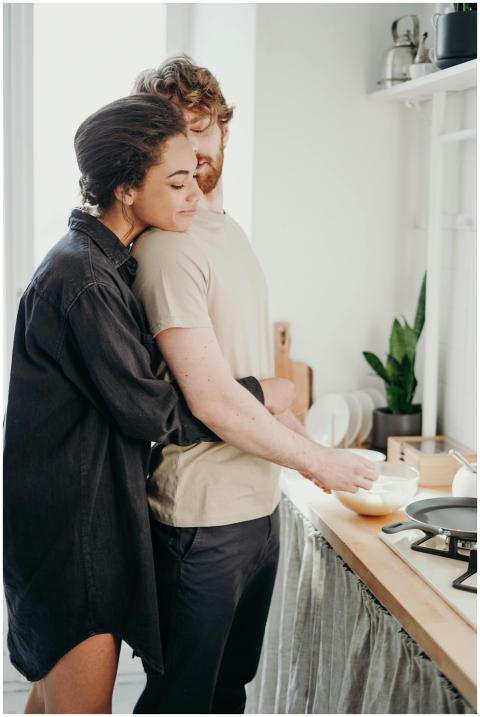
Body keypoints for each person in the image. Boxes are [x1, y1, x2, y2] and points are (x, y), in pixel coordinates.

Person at [3, 94, 276, 714]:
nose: (193, 193)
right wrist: (260, 396)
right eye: (177, 181)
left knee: (48, 703)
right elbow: (151, 411)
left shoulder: (96, 263)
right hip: (75, 541)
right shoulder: (84, 282)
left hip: (65, 524)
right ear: (127, 188)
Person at [130, 57, 377, 714]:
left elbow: (243, 369)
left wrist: (297, 442)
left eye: (206, 129)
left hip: (255, 508)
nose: (199, 147)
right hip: (201, 521)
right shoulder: (168, 245)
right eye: (179, 132)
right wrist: (316, 459)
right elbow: (208, 399)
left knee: (227, 694)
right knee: (181, 700)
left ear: (224, 131)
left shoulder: (222, 228)